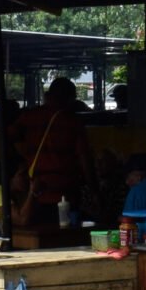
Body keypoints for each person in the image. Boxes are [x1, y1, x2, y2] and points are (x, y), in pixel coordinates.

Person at [7, 77, 90, 224]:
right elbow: (84, 158)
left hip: (36, 190)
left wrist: (26, 156)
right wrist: (93, 189)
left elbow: (9, 138)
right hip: (66, 190)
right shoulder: (73, 121)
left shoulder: (29, 117)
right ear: (70, 98)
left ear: (48, 95)